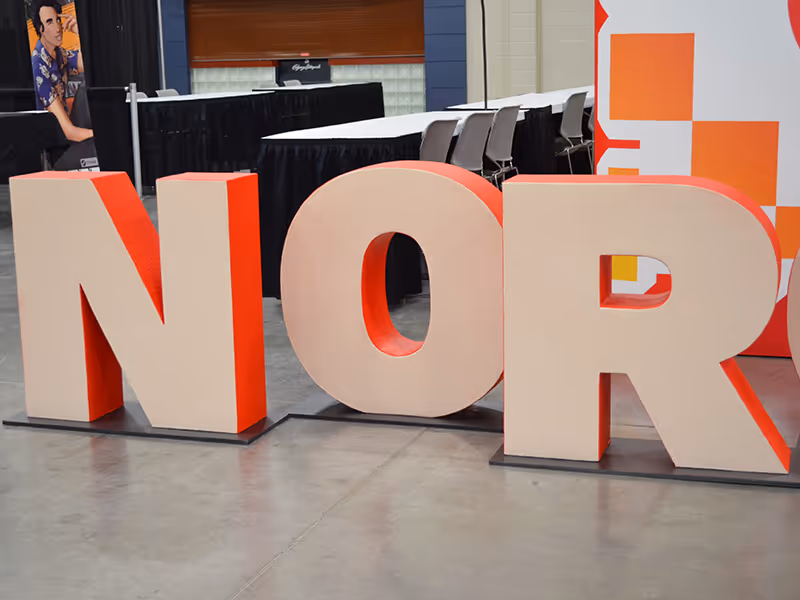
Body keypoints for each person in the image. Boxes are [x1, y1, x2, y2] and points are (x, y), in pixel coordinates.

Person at [30, 0, 93, 142]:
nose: (58, 28)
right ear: (40, 28)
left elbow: (90, 63)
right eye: (50, 22)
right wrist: (99, 133)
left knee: (85, 89)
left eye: (58, 20)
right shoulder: (38, 66)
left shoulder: (59, 53)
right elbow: (70, 133)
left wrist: (78, 31)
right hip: (52, 141)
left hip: (67, 129)